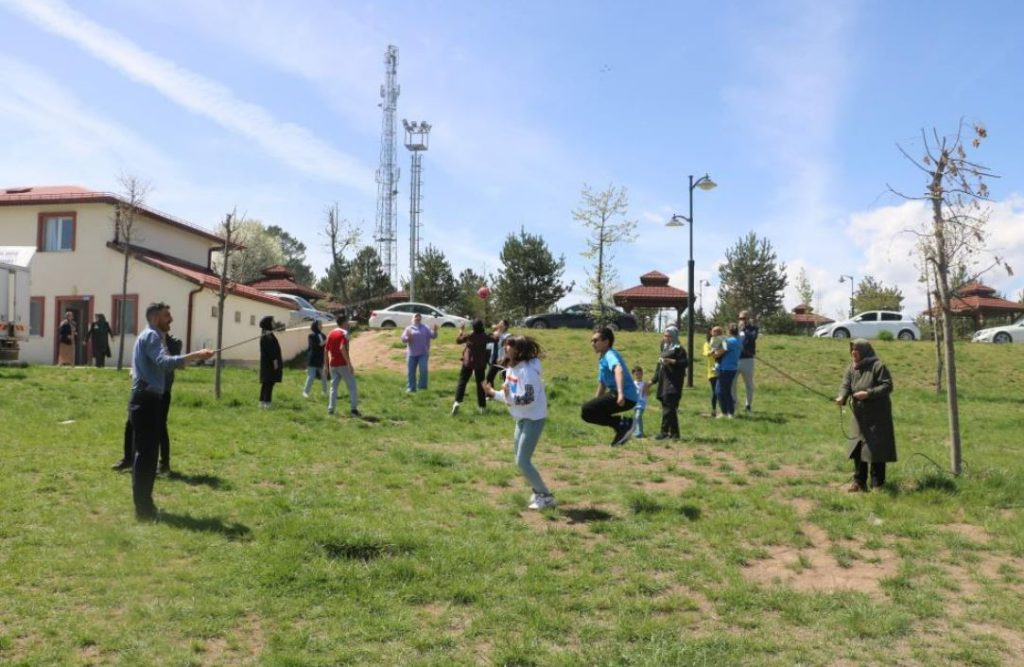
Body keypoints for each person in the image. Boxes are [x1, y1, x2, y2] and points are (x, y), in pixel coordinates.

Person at [127, 302, 212, 520]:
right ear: (156, 318)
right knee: (146, 457)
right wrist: (196, 355)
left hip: (146, 399)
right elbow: (164, 362)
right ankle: (143, 510)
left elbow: (159, 364)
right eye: (167, 316)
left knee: (147, 455)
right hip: (146, 401)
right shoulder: (152, 336)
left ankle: (145, 506)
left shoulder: (151, 336)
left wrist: (190, 359)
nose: (171, 320)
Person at [483, 335, 555, 510]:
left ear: (519, 351)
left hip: (533, 418)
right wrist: (493, 393)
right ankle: (538, 492)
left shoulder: (527, 372)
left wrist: (508, 397)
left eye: (510, 346)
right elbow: (511, 396)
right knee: (520, 460)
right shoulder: (511, 369)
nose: (506, 348)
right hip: (521, 418)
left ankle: (546, 497)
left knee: (522, 461)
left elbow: (528, 399)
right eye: (506, 345)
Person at [836, 339, 897, 492]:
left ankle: (877, 484)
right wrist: (842, 396)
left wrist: (868, 393)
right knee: (857, 448)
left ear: (864, 351)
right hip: (859, 415)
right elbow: (846, 385)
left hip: (877, 415)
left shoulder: (878, 366)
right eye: (852, 350)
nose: (853, 353)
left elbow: (887, 386)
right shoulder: (851, 368)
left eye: (856, 350)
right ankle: (859, 482)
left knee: (876, 449)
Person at [581, 327, 639, 446]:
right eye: (591, 341)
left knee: (587, 409)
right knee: (587, 413)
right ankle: (621, 426)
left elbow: (618, 370)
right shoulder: (603, 358)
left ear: (606, 342)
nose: (592, 344)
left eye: (596, 340)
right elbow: (602, 383)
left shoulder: (610, 354)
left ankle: (624, 424)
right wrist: (595, 403)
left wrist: (621, 394)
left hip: (625, 396)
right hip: (622, 395)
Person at [653, 326, 687, 440]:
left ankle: (667, 433)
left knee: (669, 407)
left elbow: (685, 363)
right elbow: (659, 366)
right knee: (667, 408)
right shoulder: (664, 347)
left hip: (673, 382)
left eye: (669, 336)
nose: (666, 338)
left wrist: (671, 361)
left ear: (674, 336)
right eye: (665, 335)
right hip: (664, 381)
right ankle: (672, 433)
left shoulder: (679, 349)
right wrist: (652, 380)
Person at [452, 319, 490, 415]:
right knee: (480, 384)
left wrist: (461, 331)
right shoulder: (485, 336)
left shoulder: (469, 335)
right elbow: (495, 339)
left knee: (462, 381)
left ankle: (457, 402)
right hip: (480, 363)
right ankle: (482, 407)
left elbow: (458, 341)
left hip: (468, 362)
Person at [325, 315, 360, 416]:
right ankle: (353, 410)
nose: (348, 323)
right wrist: (349, 364)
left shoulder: (331, 333)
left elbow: (326, 350)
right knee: (352, 387)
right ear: (344, 322)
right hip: (343, 364)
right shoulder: (345, 333)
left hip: (333, 364)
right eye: (347, 321)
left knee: (333, 388)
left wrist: (326, 366)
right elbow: (342, 348)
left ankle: (331, 410)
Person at [158, 333, 182, 475]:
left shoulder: (175, 342)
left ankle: (164, 463)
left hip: (164, 390)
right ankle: (132, 459)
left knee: (161, 426)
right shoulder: (150, 339)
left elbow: (173, 362)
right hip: (148, 390)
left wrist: (163, 343)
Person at [401, 313, 438, 392]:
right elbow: (403, 339)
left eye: (419, 317)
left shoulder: (425, 327)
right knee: (411, 372)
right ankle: (411, 388)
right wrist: (408, 338)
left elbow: (433, 336)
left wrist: (435, 331)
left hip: (423, 353)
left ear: (421, 319)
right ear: (412, 318)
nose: (417, 318)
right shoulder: (409, 328)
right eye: (416, 317)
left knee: (423, 370)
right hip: (411, 354)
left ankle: (422, 387)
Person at [733, 310, 759, 414]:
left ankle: (748, 405)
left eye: (744, 318)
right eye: (740, 318)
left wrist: (744, 330)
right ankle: (734, 404)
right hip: (735, 359)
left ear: (748, 319)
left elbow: (753, 337)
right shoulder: (735, 329)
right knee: (732, 384)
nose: (742, 320)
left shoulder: (753, 328)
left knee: (749, 384)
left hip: (748, 360)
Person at [715, 324, 741, 418]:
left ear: (728, 331)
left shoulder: (728, 341)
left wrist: (713, 352)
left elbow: (718, 354)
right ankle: (727, 412)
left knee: (722, 391)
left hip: (725, 369)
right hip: (732, 368)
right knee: (723, 391)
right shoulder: (738, 340)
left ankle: (728, 412)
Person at [258, 316, 283, 409]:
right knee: (268, 383)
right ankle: (266, 402)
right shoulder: (266, 337)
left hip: (269, 363)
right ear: (268, 324)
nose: (274, 323)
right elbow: (271, 351)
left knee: (267, 383)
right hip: (269, 364)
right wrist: (275, 361)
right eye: (272, 322)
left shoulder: (269, 335)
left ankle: (262, 402)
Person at [303, 320, 327, 398]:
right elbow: (314, 346)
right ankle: (305, 393)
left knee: (324, 376)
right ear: (316, 326)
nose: (322, 326)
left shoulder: (323, 335)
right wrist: (324, 342)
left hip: (321, 358)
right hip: (313, 358)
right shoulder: (311, 336)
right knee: (311, 376)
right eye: (320, 325)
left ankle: (324, 392)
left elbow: (325, 347)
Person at [485, 319, 512, 388]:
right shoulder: (495, 333)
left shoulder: (508, 336)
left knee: (506, 378)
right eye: (499, 323)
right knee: (489, 378)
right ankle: (490, 392)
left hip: (504, 360)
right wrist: (493, 331)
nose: (499, 325)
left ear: (506, 326)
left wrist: (504, 358)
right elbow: (487, 338)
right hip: (494, 358)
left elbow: (507, 347)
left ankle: (509, 392)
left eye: (502, 324)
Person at [703, 326, 723, 417]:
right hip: (712, 371)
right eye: (714, 332)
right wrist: (712, 351)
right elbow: (706, 353)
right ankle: (714, 410)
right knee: (715, 391)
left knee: (722, 391)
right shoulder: (707, 344)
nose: (715, 334)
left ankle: (724, 410)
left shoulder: (723, 343)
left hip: (723, 369)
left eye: (718, 332)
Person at [631, 366, 650, 438]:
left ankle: (639, 433)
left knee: (638, 416)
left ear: (642, 374)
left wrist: (646, 388)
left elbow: (647, 394)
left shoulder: (644, 384)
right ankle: (638, 431)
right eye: (636, 374)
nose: (638, 376)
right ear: (633, 375)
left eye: (640, 374)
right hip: (634, 403)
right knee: (637, 417)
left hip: (641, 403)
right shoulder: (632, 384)